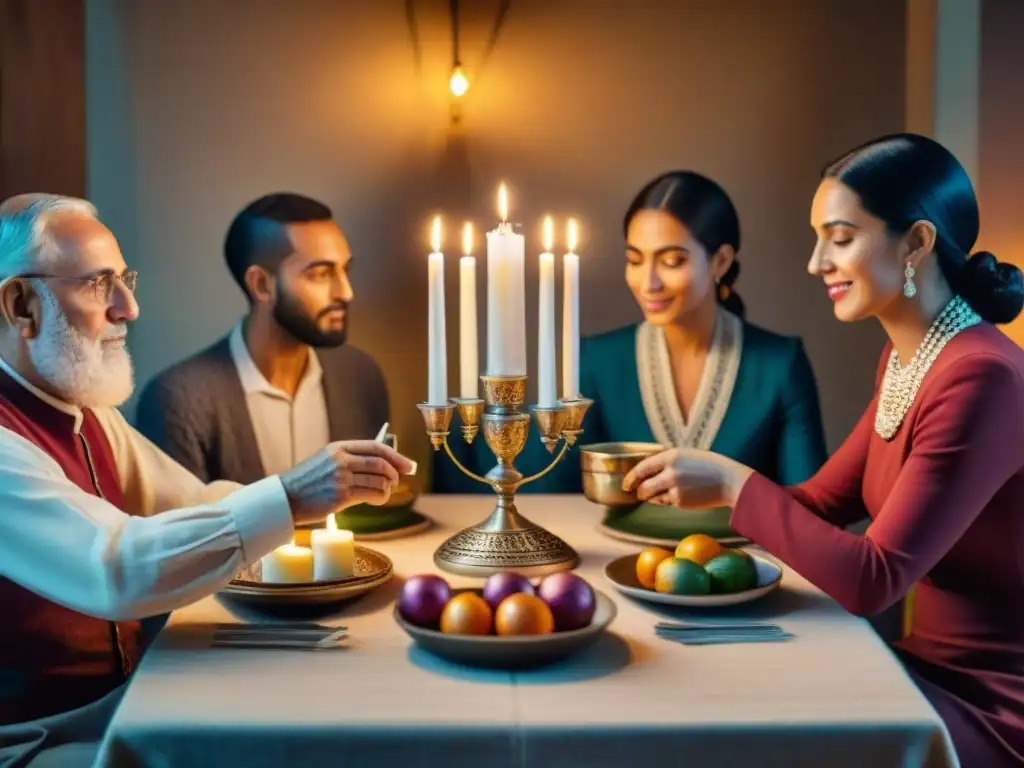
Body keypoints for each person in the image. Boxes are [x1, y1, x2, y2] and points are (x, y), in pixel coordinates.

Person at [624, 135, 1024, 768]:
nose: (816, 262)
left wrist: (732, 485)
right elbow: (823, 502)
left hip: (990, 706)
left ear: (916, 243)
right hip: (917, 670)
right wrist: (686, 525)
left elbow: (875, 580)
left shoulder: (981, 376)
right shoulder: (908, 356)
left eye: (839, 238)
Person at [0, 194, 412, 764]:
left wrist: (323, 494)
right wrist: (292, 495)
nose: (128, 307)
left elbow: (194, 502)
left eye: (125, 280)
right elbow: (115, 567)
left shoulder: (85, 414)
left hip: (124, 700)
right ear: (22, 305)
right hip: (40, 738)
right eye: (99, 285)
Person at [435, 171, 827, 545]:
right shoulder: (599, 360)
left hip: (750, 572)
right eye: (635, 259)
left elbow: (813, 514)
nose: (648, 282)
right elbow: (545, 491)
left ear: (721, 262)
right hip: (623, 570)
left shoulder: (780, 364)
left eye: (672, 261)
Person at [136, 192, 389, 485]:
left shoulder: (361, 378)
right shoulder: (177, 400)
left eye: (345, 270)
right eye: (321, 274)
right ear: (261, 285)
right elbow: (183, 527)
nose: (345, 292)